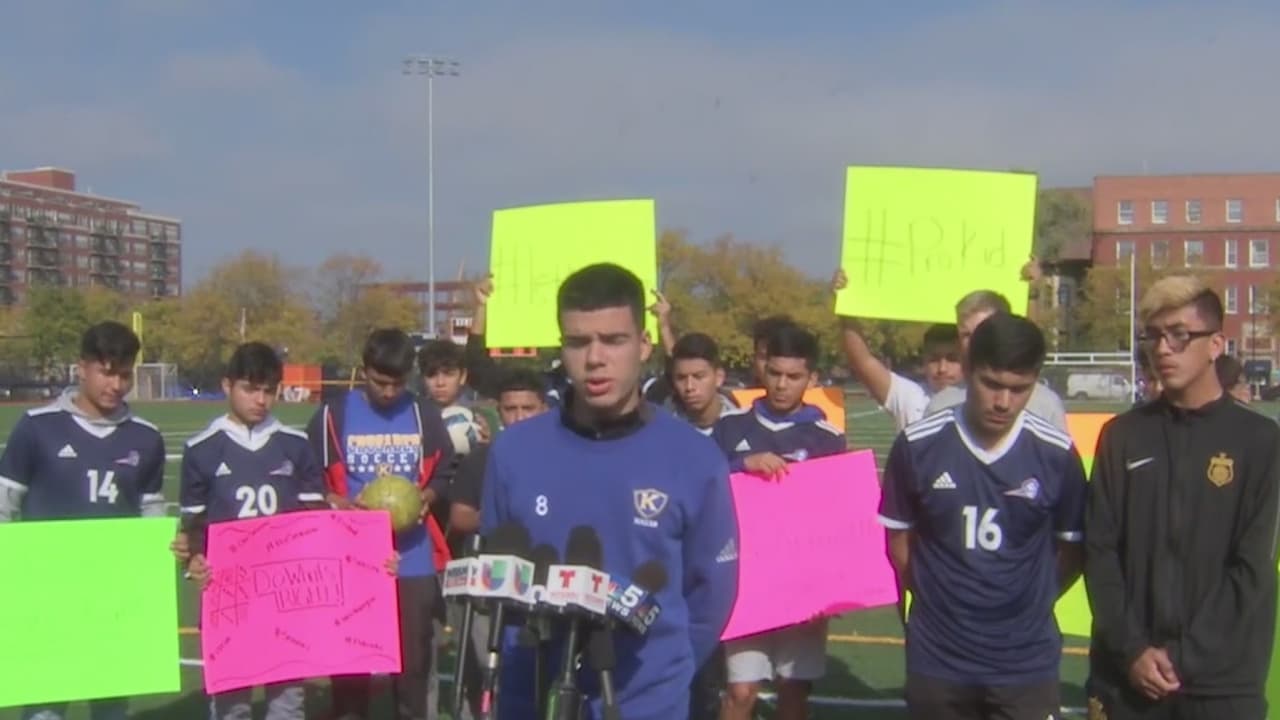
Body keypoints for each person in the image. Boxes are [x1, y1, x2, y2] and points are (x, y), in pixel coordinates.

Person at [480, 263, 739, 720]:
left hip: (647, 703)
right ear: (562, 347)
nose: (595, 358)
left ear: (644, 345)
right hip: (531, 698)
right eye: (579, 342)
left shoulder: (695, 460)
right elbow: (499, 577)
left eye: (613, 340)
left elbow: (710, 596)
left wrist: (662, 674)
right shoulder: (513, 451)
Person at [1084, 275, 1280, 720]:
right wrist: (1132, 651)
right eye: (1154, 336)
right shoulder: (1123, 436)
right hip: (1127, 682)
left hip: (1221, 686)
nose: (1163, 349)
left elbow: (1252, 566)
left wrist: (1184, 658)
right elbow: (1100, 551)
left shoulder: (1260, 441)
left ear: (1215, 344)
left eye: (1179, 335)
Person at [879, 312, 1086, 720]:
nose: (1002, 402)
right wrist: (940, 600)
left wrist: (1026, 600)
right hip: (939, 657)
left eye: (1018, 389)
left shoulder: (1056, 454)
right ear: (968, 369)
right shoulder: (918, 446)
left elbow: (1072, 552)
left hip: (1025, 659)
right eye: (991, 384)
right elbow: (898, 543)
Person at [180, 342, 399, 720]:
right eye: (250, 389)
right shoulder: (201, 448)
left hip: (287, 598)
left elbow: (319, 525)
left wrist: (373, 559)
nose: (261, 400)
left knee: (288, 701)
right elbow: (195, 526)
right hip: (230, 598)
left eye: (269, 390)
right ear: (227, 385)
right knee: (231, 704)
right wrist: (195, 562)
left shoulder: (294, 444)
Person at [0, 321, 166, 720]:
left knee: (111, 705)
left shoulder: (146, 437)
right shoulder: (37, 427)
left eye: (124, 374)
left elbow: (152, 512)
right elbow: (4, 503)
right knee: (45, 706)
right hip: (48, 595)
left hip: (113, 597)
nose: (116, 384)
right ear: (82, 368)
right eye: (106, 371)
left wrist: (164, 550)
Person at [306, 328, 455, 720]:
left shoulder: (424, 413)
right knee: (351, 667)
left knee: (413, 667)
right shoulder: (332, 415)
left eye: (397, 384)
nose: (389, 392)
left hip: (413, 558)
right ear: (363, 371)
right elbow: (308, 477)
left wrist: (427, 497)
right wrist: (332, 499)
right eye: (379, 382)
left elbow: (445, 472)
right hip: (351, 557)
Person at [712, 324, 847, 720]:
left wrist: (834, 584)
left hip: (801, 584)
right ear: (762, 369)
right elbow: (700, 486)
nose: (782, 384)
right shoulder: (729, 426)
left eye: (794, 376)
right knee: (740, 691)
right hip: (745, 581)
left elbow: (840, 516)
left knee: (793, 690)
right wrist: (741, 465)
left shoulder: (826, 437)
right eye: (775, 373)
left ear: (812, 379)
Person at [442, 369, 550, 720]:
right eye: (510, 409)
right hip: (492, 581)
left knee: (543, 673)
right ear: (498, 411)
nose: (518, 417)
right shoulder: (482, 458)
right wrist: (505, 519)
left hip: (545, 582)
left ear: (544, 409)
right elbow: (459, 516)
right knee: (490, 673)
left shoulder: (561, 456)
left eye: (527, 408)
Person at [831, 268, 964, 430]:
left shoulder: (983, 400)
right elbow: (862, 361)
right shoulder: (911, 396)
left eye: (952, 359)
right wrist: (845, 301)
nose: (942, 369)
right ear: (924, 360)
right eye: (934, 359)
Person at [922, 290, 1069, 431]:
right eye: (966, 335)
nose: (975, 342)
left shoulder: (1045, 404)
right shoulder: (940, 405)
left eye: (983, 332)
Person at [662, 332, 740, 434]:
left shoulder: (743, 427)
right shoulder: (661, 429)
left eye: (698, 377)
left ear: (719, 377)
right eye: (681, 378)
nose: (689, 387)